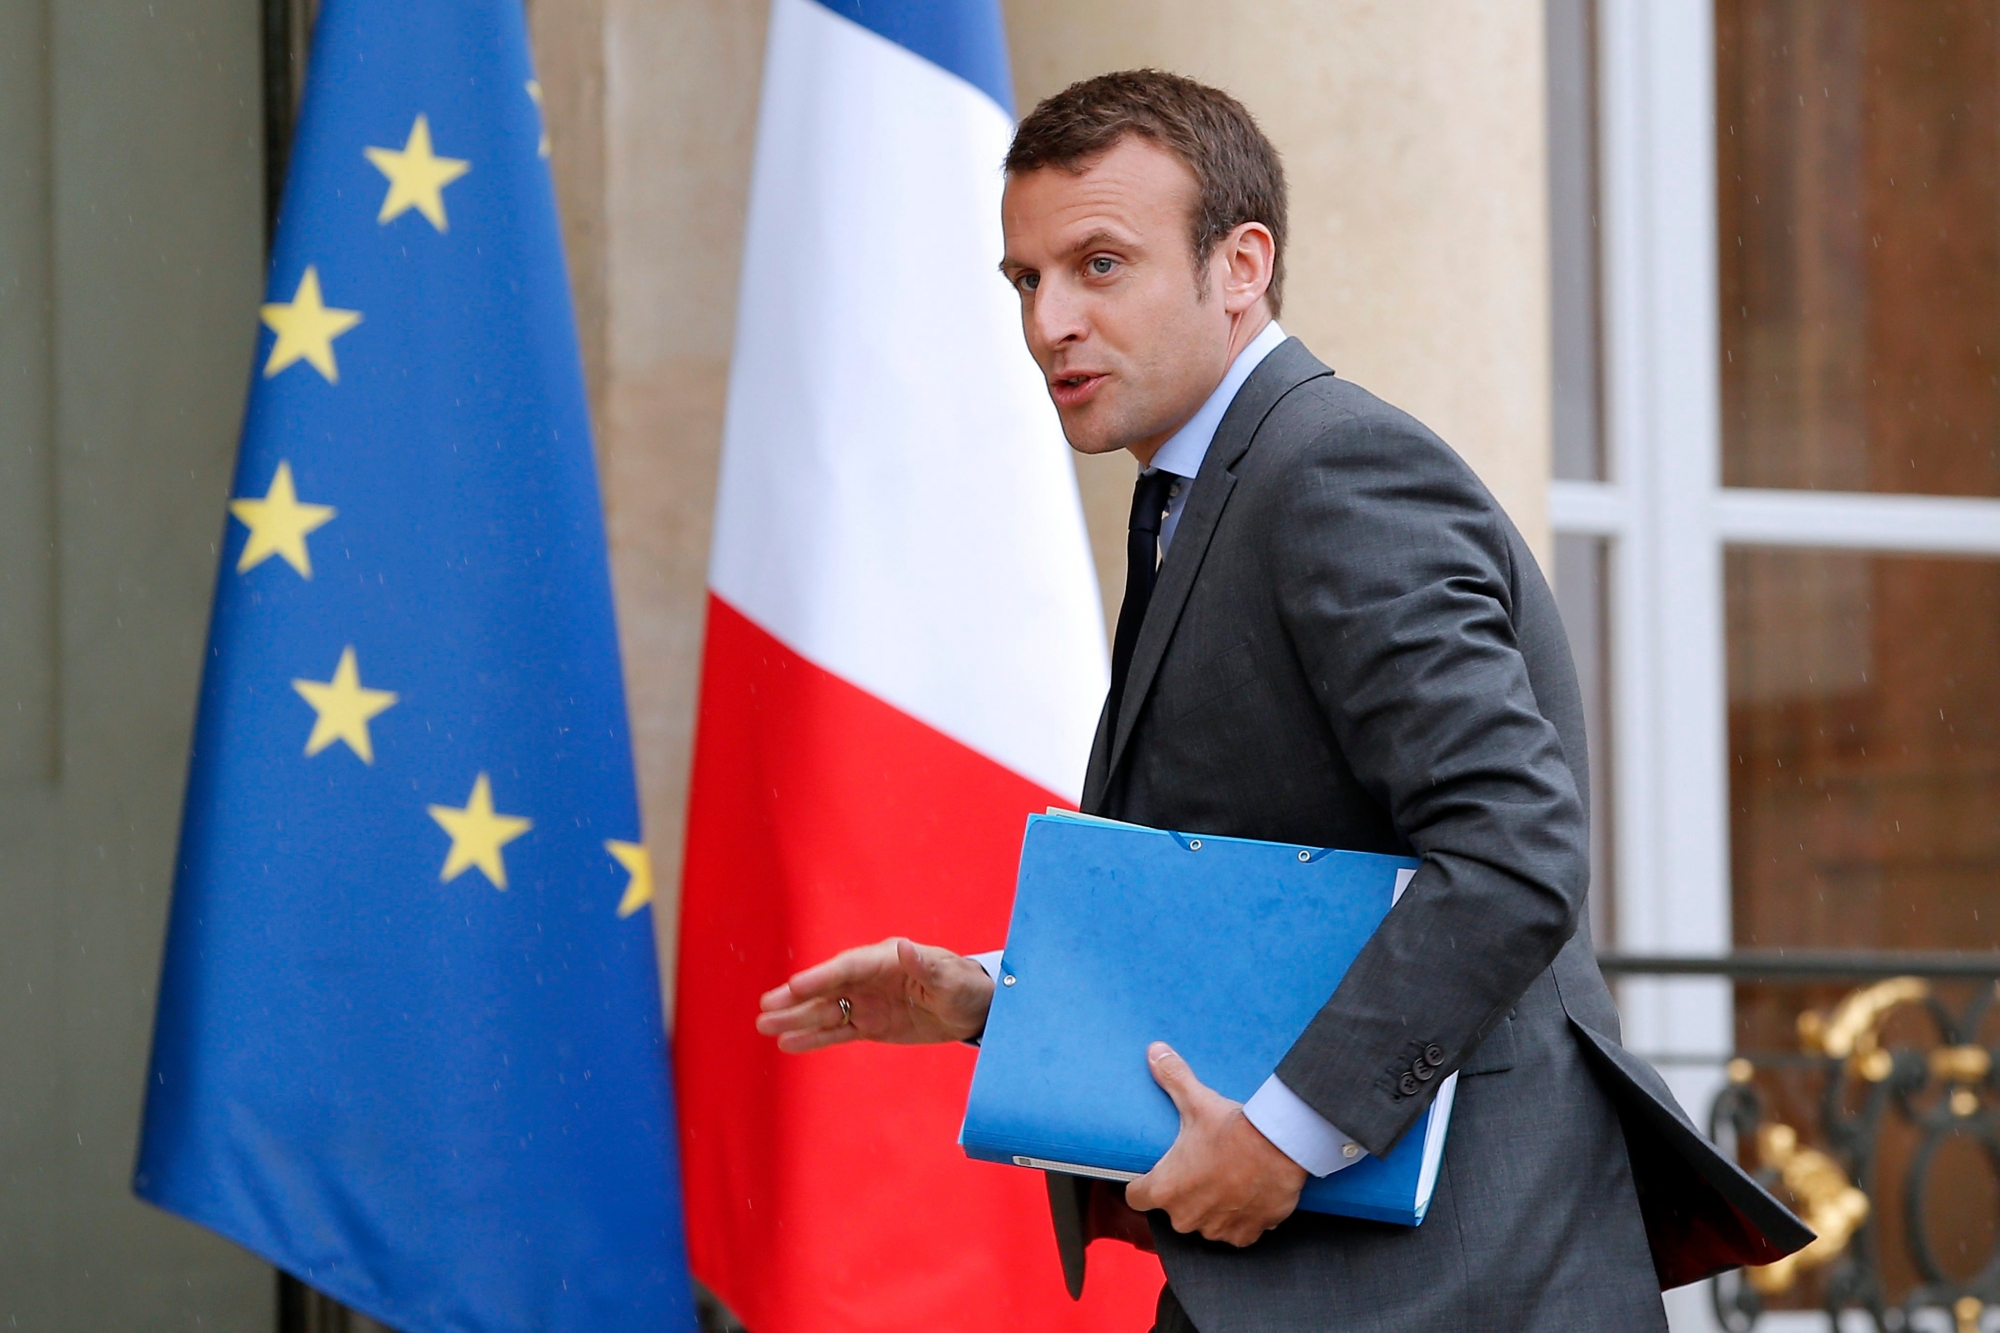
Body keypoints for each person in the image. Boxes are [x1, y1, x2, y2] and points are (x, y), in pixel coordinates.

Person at [755, 69, 1807, 1332]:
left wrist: (1286, 1138)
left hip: (1452, 1283)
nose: (1047, 323)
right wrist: (994, 993)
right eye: (1023, 280)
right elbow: (1265, 874)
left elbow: (1513, 850)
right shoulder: (1212, 483)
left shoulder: (1334, 473)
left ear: (1240, 265)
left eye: (1097, 264)